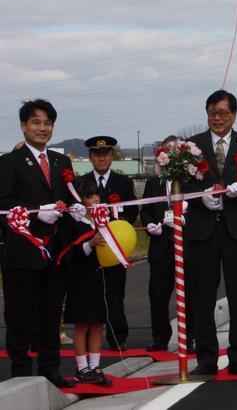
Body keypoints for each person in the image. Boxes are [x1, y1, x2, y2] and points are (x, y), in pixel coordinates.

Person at [184, 89, 237, 376]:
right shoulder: (191, 145)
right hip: (202, 230)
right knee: (202, 297)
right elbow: (179, 183)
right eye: (212, 112)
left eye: (223, 113)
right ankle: (206, 359)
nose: (217, 118)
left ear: (234, 115)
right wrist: (200, 194)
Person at [0, 99, 77, 387]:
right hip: (22, 253)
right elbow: (4, 204)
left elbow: (69, 198)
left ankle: (50, 370)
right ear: (23, 125)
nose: (42, 128)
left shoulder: (61, 162)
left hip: (56, 253)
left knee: (50, 315)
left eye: (47, 123)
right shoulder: (9, 162)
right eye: (36, 122)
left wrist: (76, 208)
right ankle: (20, 373)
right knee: (20, 316)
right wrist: (35, 214)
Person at [77, 135, 137, 351]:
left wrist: (118, 229)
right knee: (90, 294)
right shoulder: (81, 183)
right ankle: (87, 339)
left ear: (112, 156)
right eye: (97, 154)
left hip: (114, 248)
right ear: (91, 157)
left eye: (105, 154)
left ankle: (117, 338)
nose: (101, 158)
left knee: (115, 293)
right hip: (90, 246)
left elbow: (131, 211)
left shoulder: (123, 183)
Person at [58, 177, 113, 386]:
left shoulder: (101, 221)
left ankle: (95, 365)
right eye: (90, 196)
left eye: (97, 194)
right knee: (82, 325)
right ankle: (82, 368)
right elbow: (70, 254)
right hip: (80, 280)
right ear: (79, 201)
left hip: (98, 277)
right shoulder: (73, 222)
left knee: (98, 324)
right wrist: (90, 244)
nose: (96, 199)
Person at [140, 136, 191, 353]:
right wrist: (150, 224)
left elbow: (201, 210)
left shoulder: (191, 180)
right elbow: (145, 209)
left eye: (176, 150)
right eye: (168, 150)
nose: (172, 155)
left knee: (191, 295)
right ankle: (160, 337)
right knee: (158, 295)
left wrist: (185, 219)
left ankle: (191, 338)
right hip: (161, 246)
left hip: (187, 246)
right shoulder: (154, 183)